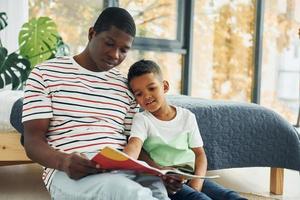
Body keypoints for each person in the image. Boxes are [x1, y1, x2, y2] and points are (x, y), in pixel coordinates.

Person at [22, 7, 174, 200]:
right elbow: (32, 141)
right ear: (92, 33)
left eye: (124, 50)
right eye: (109, 44)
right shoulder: (45, 74)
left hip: (123, 168)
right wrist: (64, 162)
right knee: (129, 193)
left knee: (158, 191)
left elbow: (134, 141)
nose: (115, 55)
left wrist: (159, 170)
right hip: (70, 172)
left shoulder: (125, 85)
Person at [123, 59, 247, 200]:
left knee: (229, 196)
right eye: (139, 94)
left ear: (164, 87)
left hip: (191, 174)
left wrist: (197, 182)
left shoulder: (187, 116)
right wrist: (121, 162)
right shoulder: (142, 119)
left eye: (152, 88)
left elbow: (200, 155)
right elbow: (134, 145)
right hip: (168, 180)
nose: (146, 96)